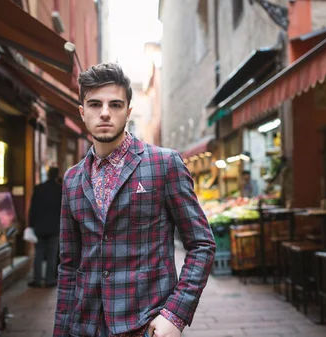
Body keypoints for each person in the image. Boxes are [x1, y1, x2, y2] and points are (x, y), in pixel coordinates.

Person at [54, 63, 216, 337]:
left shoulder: (164, 164)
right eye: (95, 104)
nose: (105, 113)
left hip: (147, 326)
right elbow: (69, 265)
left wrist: (175, 314)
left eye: (115, 105)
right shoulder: (71, 179)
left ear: (128, 112)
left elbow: (202, 244)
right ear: (82, 112)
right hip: (86, 326)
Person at [27, 166, 63, 288]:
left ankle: (37, 280)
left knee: (39, 253)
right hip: (55, 227)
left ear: (47, 174)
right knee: (52, 254)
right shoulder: (60, 190)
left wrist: (31, 225)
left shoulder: (39, 188)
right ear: (57, 175)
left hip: (40, 227)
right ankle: (49, 280)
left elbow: (33, 209)